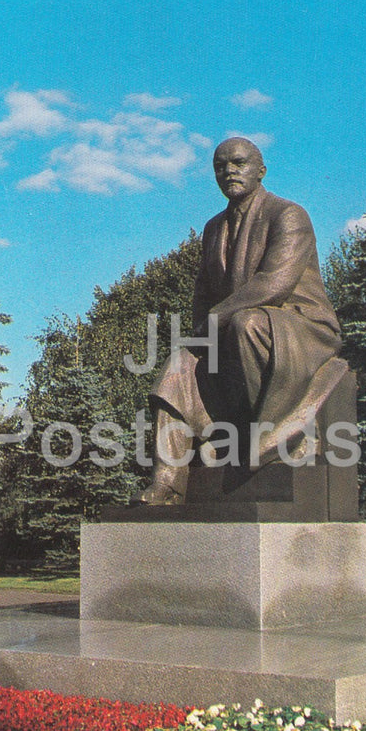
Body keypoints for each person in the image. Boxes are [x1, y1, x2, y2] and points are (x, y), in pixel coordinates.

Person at [132, 137, 343, 505]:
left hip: (299, 327)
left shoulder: (288, 215)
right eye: (220, 165)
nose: (229, 170)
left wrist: (217, 318)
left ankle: (259, 437)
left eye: (239, 162)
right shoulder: (214, 228)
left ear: (260, 171)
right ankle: (167, 482)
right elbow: (203, 291)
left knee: (249, 324)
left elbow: (274, 284)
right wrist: (203, 333)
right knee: (179, 365)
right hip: (235, 328)